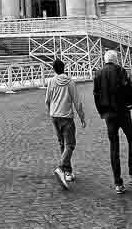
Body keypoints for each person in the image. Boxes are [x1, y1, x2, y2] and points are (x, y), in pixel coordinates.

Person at [93, 50, 132, 194]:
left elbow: (96, 95)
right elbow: (130, 89)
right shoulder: (121, 70)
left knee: (113, 146)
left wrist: (101, 112)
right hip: (123, 112)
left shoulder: (98, 73)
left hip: (109, 115)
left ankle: (118, 182)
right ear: (116, 60)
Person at [45, 58, 86, 189]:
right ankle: (61, 167)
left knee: (62, 143)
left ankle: (68, 172)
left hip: (54, 116)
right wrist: (82, 117)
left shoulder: (51, 81)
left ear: (54, 69)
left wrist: (51, 111)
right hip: (66, 117)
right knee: (71, 144)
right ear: (64, 68)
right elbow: (77, 102)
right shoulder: (70, 82)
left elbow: (47, 100)